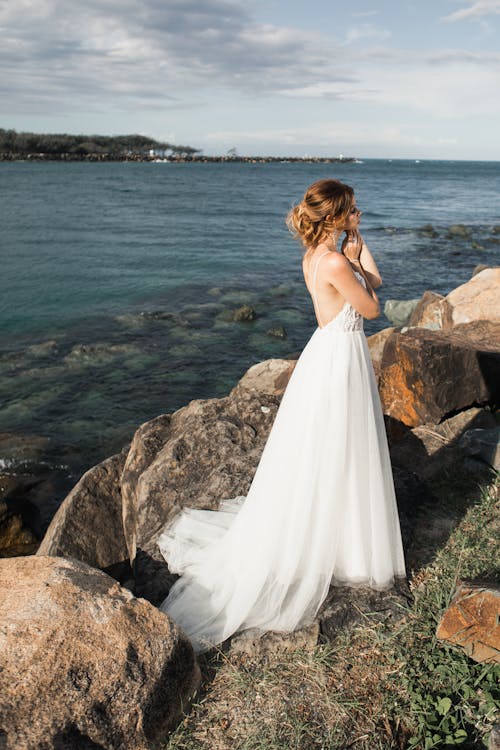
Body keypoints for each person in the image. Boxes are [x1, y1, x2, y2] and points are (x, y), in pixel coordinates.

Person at [157, 178, 406, 654]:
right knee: (340, 446)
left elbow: (371, 283)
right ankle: (340, 541)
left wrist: (359, 244)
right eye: (352, 210)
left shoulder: (318, 256)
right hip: (337, 361)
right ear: (335, 216)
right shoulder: (332, 260)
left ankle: (342, 535)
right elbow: (373, 307)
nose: (358, 213)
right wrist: (353, 252)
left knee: (335, 448)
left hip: (332, 354)